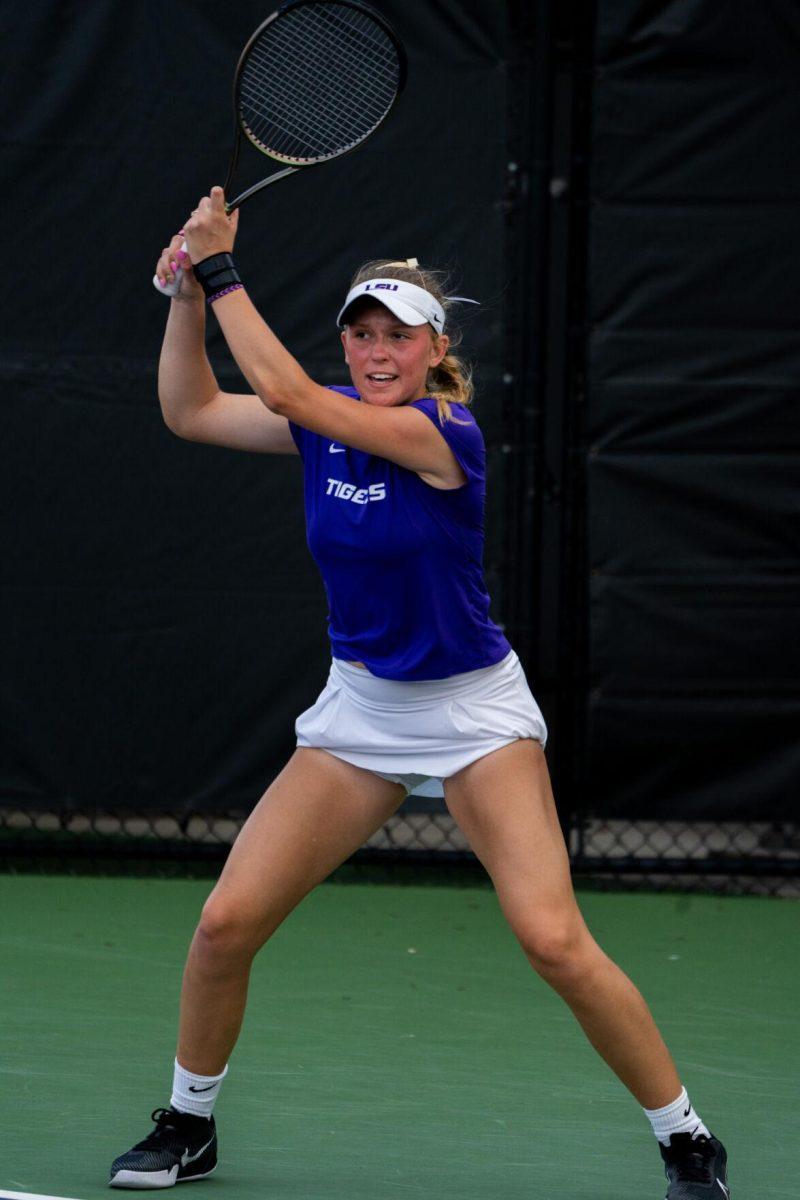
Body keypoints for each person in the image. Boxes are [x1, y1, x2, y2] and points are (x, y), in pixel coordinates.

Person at [109, 187, 730, 1198]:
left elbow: (290, 395)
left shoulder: (447, 435)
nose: (372, 350)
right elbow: (190, 412)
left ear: (432, 350)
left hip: (472, 713)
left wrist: (222, 267)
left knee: (551, 938)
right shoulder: (326, 427)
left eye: (394, 335)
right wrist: (184, 294)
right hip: (361, 710)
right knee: (225, 923)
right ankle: (187, 1123)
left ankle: (683, 1136)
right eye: (358, 334)